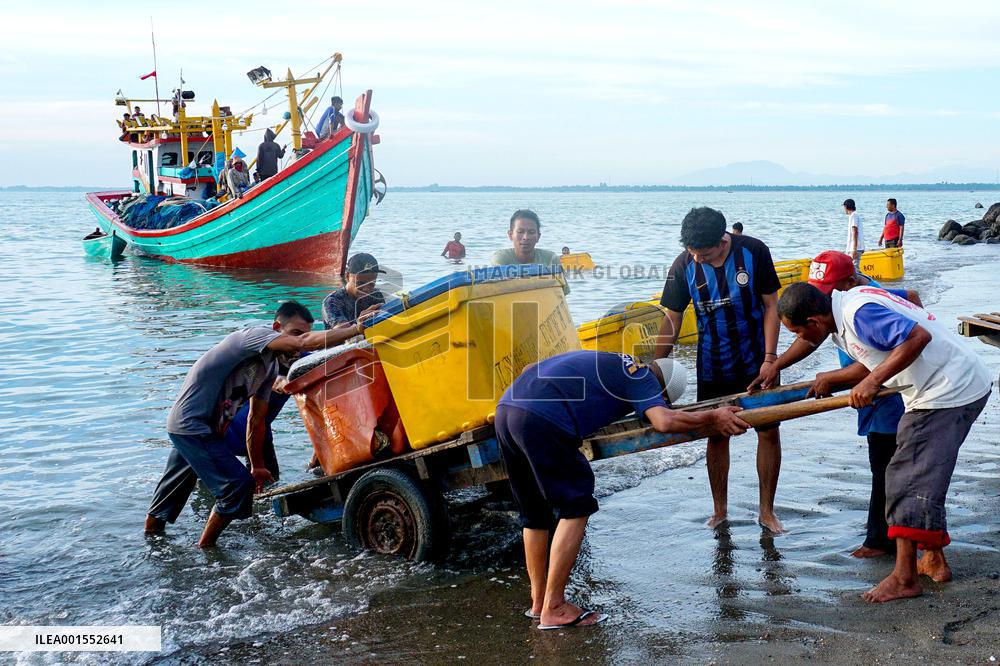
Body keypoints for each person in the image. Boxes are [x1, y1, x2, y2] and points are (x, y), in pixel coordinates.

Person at [496, 350, 749, 628]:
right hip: (542, 420)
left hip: (506, 410)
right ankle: (554, 606)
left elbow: (532, 366)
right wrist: (712, 417)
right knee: (576, 505)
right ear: (663, 391)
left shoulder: (612, 359)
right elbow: (663, 421)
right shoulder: (642, 377)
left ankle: (538, 602)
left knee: (534, 513)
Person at [776, 282, 992, 602]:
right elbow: (881, 351)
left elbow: (918, 337)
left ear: (814, 323)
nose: (801, 340)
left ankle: (905, 578)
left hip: (946, 391)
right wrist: (833, 379)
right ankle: (933, 559)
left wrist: (873, 381)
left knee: (904, 478)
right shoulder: (847, 308)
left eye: (798, 332)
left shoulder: (857, 313)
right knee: (921, 476)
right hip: (955, 383)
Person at [145, 301, 370, 547]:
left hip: (204, 430)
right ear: (276, 328)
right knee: (236, 488)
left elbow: (257, 420)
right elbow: (304, 343)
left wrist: (258, 466)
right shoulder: (252, 336)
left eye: (304, 332)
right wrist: (357, 328)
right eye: (295, 332)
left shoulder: (269, 368)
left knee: (169, 497)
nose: (297, 342)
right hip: (193, 424)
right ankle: (206, 548)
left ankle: (151, 543)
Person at [750, 251, 922, 558]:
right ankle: (887, 533)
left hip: (886, 392)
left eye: (826, 291)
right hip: (865, 387)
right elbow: (810, 333)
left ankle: (881, 540)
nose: (822, 298)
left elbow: (880, 357)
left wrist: (837, 376)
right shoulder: (833, 303)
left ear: (850, 281)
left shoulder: (866, 300)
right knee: (883, 461)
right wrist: (777, 365)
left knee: (886, 462)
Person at [652, 207, 784, 532]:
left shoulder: (753, 251)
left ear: (723, 242)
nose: (698, 259)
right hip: (712, 363)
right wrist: (655, 372)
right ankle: (720, 510)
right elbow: (671, 319)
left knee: (768, 432)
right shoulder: (684, 264)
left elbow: (772, 306)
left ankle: (767, 512)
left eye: (705, 254)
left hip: (757, 361)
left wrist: (770, 358)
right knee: (715, 434)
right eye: (693, 253)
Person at [322, 252, 386, 329]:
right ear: (347, 276)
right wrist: (359, 323)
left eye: (371, 284)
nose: (366, 289)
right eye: (360, 283)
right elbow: (342, 332)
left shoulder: (376, 295)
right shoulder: (332, 301)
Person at [491, 209, 562, 268]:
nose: (526, 237)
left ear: (538, 237)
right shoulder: (501, 259)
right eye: (520, 231)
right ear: (510, 235)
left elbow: (562, 284)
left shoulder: (550, 259)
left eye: (531, 232)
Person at [843, 198, 865, 265]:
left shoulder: (854, 215)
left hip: (855, 248)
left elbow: (855, 232)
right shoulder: (855, 215)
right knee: (852, 268)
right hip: (856, 247)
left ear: (846, 207)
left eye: (844, 207)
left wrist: (854, 249)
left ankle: (863, 276)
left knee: (854, 268)